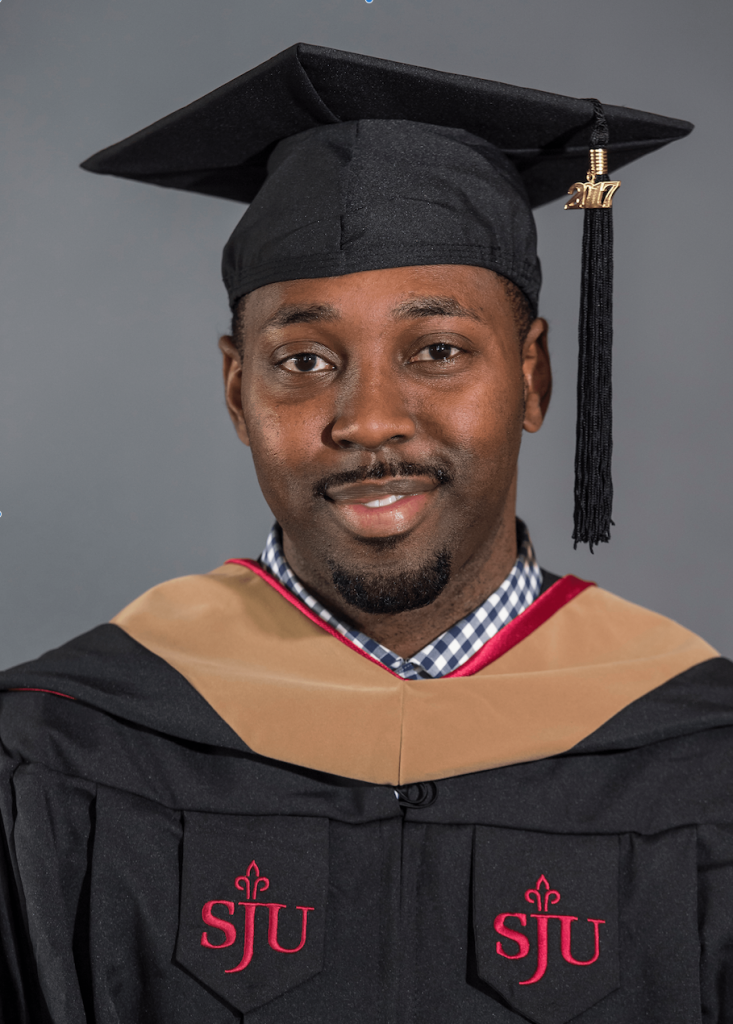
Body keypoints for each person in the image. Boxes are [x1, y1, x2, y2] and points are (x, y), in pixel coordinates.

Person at [1, 42, 731, 1024]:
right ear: (235, 388)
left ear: (533, 377)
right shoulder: (63, 747)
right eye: (303, 360)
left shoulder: (700, 757)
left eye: (436, 352)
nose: (368, 418)